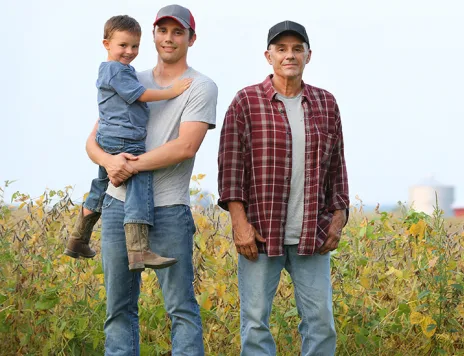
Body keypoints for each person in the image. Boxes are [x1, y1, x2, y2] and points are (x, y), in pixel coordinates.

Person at [83, 4, 217, 355]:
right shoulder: (128, 76)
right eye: (162, 31)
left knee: (181, 309)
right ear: (153, 34)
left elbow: (185, 147)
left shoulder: (200, 86)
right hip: (117, 207)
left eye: (178, 32)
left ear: (191, 38)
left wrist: (130, 166)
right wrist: (111, 163)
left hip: (169, 209)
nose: (168, 38)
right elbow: (93, 141)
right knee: (119, 310)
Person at [217, 20, 349, 355]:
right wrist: (239, 224)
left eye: (296, 49)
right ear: (268, 55)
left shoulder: (326, 104)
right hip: (260, 233)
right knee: (255, 322)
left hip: (311, 234)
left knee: (321, 323)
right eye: (281, 49)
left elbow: (337, 168)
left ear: (308, 55)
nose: (289, 55)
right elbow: (231, 169)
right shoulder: (246, 102)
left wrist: (338, 219)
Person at [64, 14, 192, 271]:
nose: (129, 51)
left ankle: (77, 239)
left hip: (110, 136)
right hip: (124, 138)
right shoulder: (115, 70)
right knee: (140, 183)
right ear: (106, 44)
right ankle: (139, 250)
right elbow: (140, 94)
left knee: (101, 185)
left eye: (135, 46)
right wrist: (171, 92)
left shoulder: (117, 70)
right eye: (123, 45)